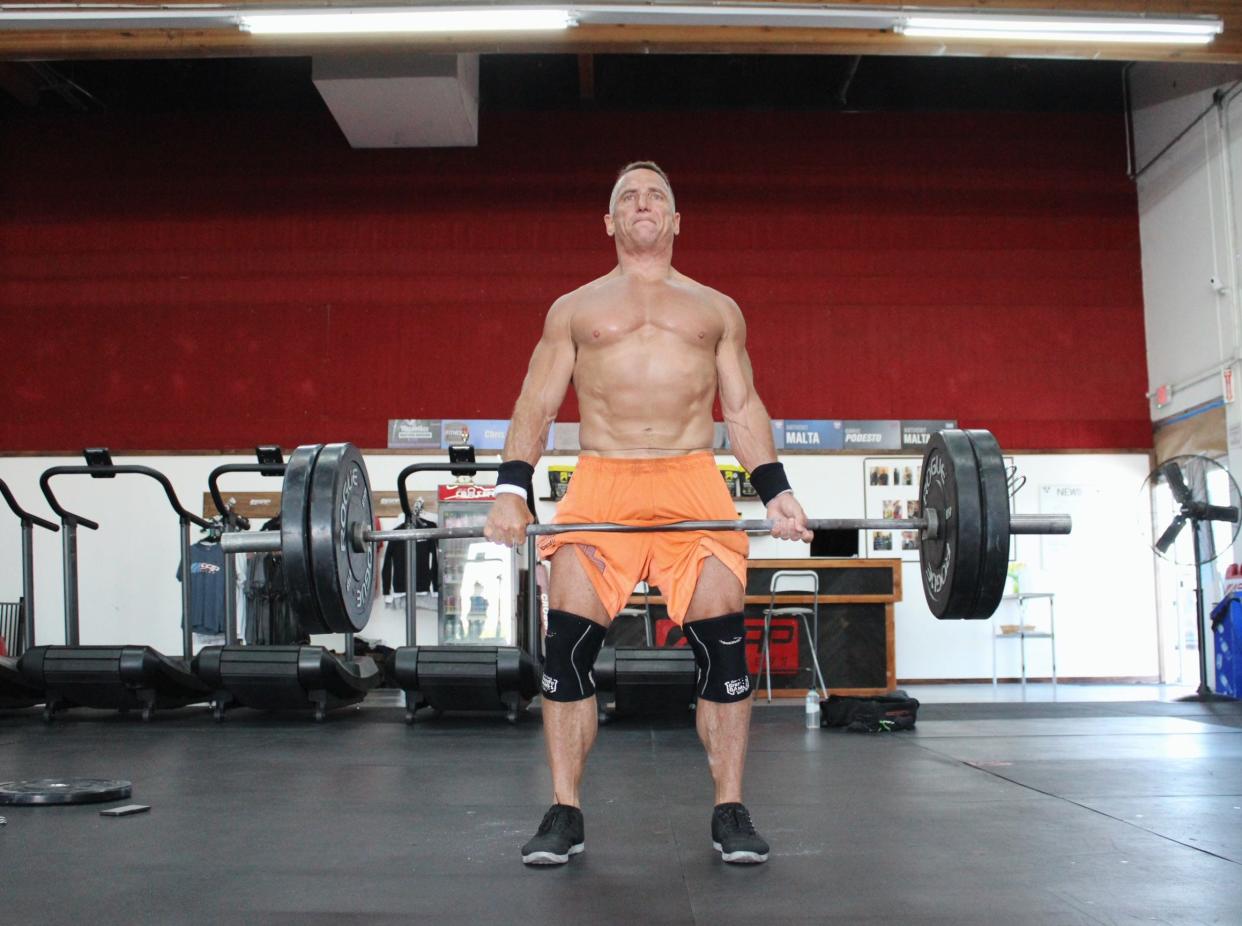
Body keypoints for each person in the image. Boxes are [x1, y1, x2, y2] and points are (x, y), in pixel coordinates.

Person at [483, 161, 811, 866]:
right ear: (608, 221)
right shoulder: (573, 308)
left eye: (655, 196)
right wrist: (511, 487)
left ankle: (730, 807)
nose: (642, 204)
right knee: (567, 644)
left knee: (724, 646)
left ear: (675, 220)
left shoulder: (716, 309)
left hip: (695, 479)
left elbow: (743, 408)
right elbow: (535, 403)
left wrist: (776, 489)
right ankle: (564, 811)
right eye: (628, 197)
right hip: (602, 478)